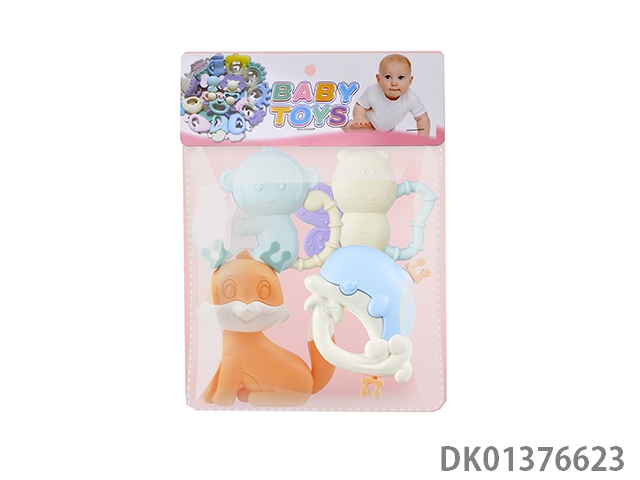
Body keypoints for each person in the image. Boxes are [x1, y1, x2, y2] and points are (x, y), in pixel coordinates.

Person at [345, 54, 430, 136]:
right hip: (368, 124)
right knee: (356, 129)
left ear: (410, 81)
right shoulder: (372, 92)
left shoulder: (411, 98)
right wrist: (360, 119)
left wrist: (423, 139)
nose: (394, 83)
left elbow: (422, 118)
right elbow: (360, 106)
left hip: (387, 131)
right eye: (388, 77)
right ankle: (346, 126)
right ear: (379, 79)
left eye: (400, 78)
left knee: (390, 141)